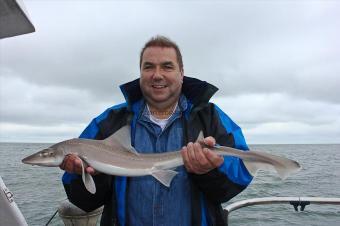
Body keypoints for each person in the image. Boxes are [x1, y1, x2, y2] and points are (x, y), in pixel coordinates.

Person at [60, 36, 253, 226]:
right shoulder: (109, 121)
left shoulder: (210, 117)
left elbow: (239, 175)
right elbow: (84, 201)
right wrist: (88, 173)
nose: (157, 75)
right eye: (149, 66)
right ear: (140, 72)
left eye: (167, 67)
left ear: (181, 73)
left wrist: (210, 172)